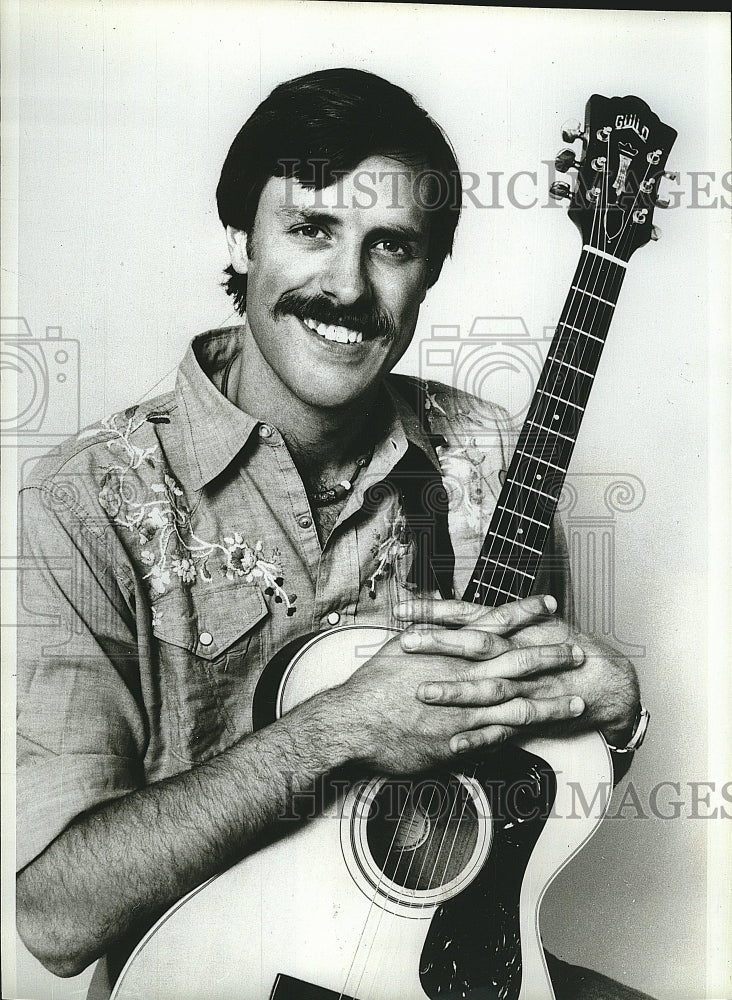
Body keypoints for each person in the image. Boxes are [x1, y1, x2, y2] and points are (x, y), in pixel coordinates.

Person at [16, 68, 650, 999]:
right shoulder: (90, 497)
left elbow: (516, 791)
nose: (348, 286)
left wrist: (616, 711)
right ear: (241, 235)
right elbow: (57, 920)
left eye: (392, 245)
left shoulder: (491, 463)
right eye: (312, 228)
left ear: (430, 271)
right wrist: (342, 728)